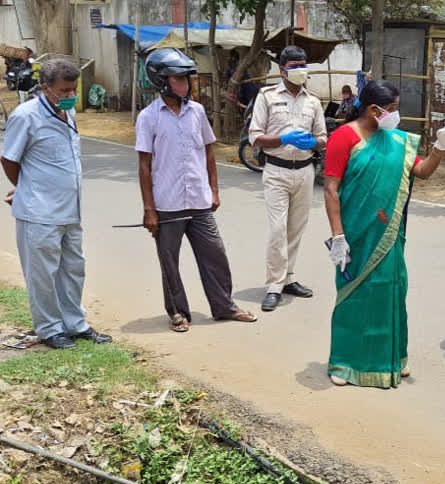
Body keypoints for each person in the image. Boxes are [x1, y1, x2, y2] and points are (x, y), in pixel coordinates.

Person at [323, 80, 445, 388]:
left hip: (389, 234)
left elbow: (422, 173)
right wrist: (338, 236)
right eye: (393, 109)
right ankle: (344, 362)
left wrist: (440, 147)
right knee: (355, 296)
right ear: (374, 109)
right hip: (355, 235)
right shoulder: (344, 138)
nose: (397, 115)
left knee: (390, 291)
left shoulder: (398, 140)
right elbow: (331, 190)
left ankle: (391, 359)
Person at [136, 48, 256, 333]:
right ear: (162, 80)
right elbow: (144, 166)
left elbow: (209, 154)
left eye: (186, 79)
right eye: (178, 79)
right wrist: (149, 209)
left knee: (215, 254)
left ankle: (224, 306)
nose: (185, 84)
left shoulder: (197, 111)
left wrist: (214, 191)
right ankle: (178, 312)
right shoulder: (148, 117)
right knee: (170, 262)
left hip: (200, 202)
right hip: (167, 205)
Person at [1, 59, 112, 349]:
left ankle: (75, 324)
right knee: (42, 275)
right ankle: (49, 328)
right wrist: (24, 187)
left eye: (73, 89)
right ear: (45, 88)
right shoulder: (26, 116)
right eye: (64, 90)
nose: (70, 95)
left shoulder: (68, 111)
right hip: (39, 213)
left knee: (73, 269)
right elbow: (9, 159)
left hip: (70, 211)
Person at [249, 45, 327, 312]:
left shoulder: (313, 101)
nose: (300, 70)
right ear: (282, 70)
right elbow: (255, 137)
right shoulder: (267, 97)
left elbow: (323, 138)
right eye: (294, 66)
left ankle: (288, 278)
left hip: (305, 170)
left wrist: (314, 142)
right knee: (277, 230)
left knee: (295, 229)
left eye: (303, 65)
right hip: (276, 171)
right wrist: (283, 139)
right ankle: (273, 285)